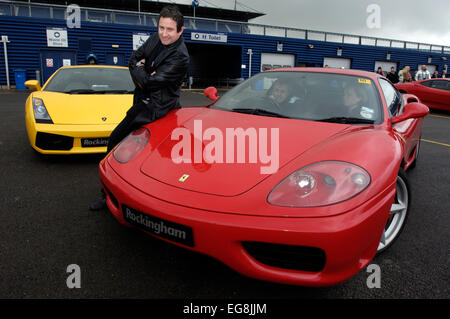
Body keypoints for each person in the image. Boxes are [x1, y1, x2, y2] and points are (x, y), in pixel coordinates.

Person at [89, 4, 190, 211]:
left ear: (180, 30)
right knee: (116, 144)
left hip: (160, 110)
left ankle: (162, 204)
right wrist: (143, 70)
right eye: (161, 27)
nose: (164, 33)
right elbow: (133, 59)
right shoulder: (155, 39)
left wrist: (142, 70)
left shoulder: (180, 56)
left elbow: (151, 83)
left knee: (162, 159)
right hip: (142, 104)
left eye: (170, 29)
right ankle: (107, 195)